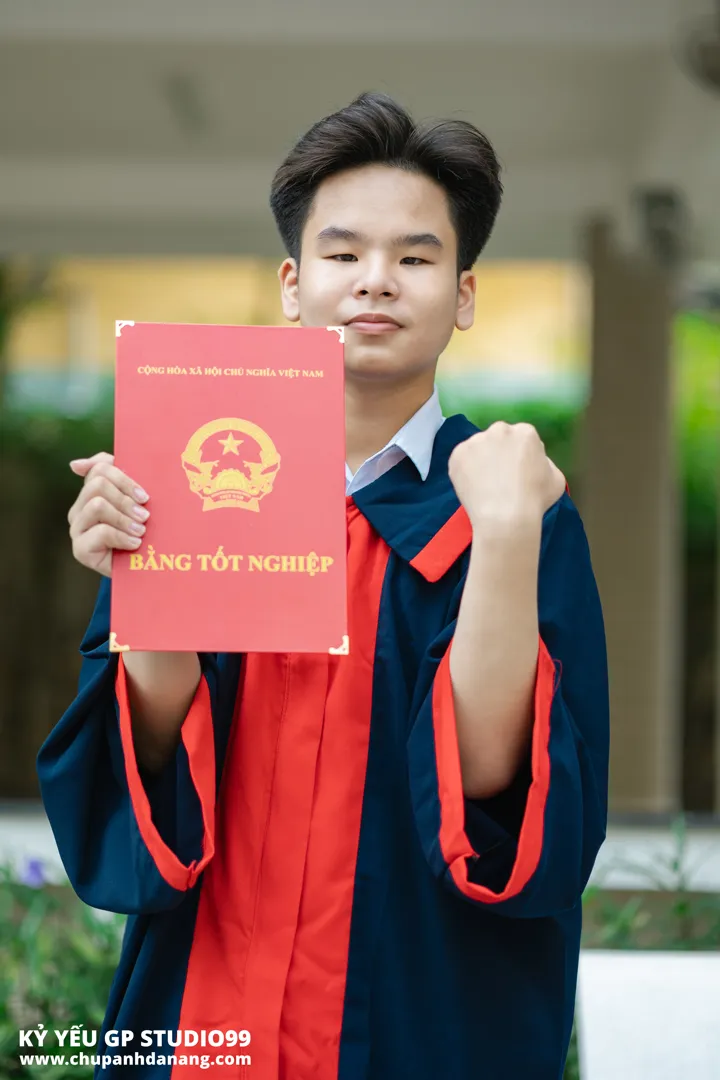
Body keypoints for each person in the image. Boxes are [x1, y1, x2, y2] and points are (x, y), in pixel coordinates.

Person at [38, 92, 609, 1080]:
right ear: (293, 284)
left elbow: (492, 791)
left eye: (416, 259)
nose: (375, 280)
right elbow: (155, 771)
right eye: (343, 254)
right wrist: (149, 576)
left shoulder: (515, 506)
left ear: (464, 295)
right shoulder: (194, 480)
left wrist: (507, 538)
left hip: (417, 1020)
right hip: (208, 1017)